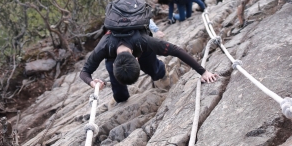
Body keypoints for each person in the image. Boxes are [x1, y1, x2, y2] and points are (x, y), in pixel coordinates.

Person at [80, 31, 219, 103]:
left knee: (157, 73)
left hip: (143, 51)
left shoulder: (144, 41)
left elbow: (176, 50)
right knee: (120, 97)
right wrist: (92, 82)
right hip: (113, 55)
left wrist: (203, 72)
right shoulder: (103, 47)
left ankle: (161, 69)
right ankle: (120, 95)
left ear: (136, 60)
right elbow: (84, 72)